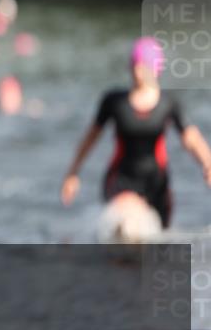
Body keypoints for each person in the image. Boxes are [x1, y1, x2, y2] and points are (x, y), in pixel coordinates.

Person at [61, 37, 211, 230]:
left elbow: (191, 140)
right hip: (121, 180)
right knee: (127, 231)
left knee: (153, 248)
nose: (138, 70)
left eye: (144, 65)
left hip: (157, 185)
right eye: (135, 64)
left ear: (155, 68)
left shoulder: (169, 104)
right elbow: (90, 139)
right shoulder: (114, 101)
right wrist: (72, 173)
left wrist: (207, 164)